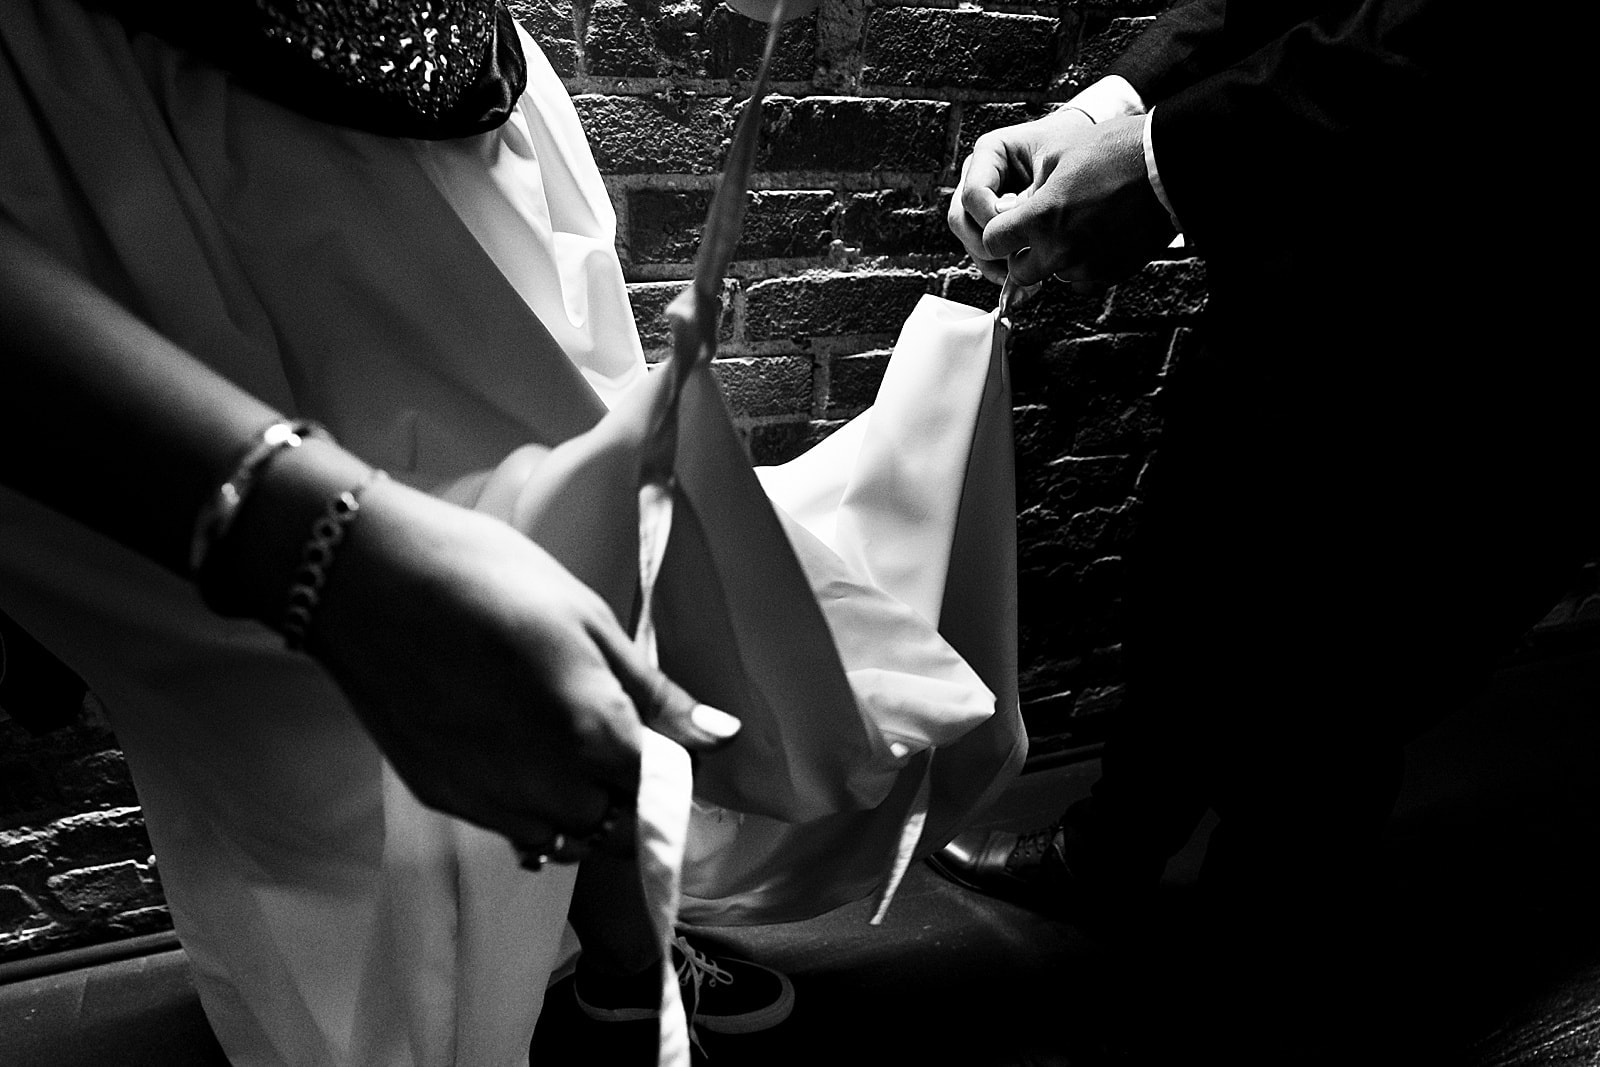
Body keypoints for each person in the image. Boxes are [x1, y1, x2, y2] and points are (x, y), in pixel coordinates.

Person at [0, 0, 776, 1061]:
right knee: (311, 751)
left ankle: (622, 951)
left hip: (457, 88)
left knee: (579, 552)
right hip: (139, 124)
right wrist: (316, 543)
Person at [936, 0, 1594, 1059]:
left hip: (1501, 269)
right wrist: (1099, 113)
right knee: (1189, 552)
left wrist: (1158, 161)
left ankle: (1249, 981)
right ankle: (1111, 847)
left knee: (1337, 688)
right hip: (1301, 259)